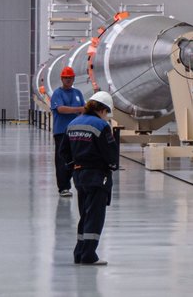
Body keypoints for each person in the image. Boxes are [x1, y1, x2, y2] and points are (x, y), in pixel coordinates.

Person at [65, 90, 120, 266]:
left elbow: (63, 152)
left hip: (79, 175)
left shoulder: (73, 123)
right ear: (102, 109)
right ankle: (89, 255)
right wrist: (112, 166)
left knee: (85, 214)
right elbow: (110, 152)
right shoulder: (101, 126)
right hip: (97, 175)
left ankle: (79, 252)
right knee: (95, 216)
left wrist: (74, 166)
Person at [49, 66, 86, 196]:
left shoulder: (78, 93)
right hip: (61, 132)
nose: (68, 80)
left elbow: (84, 109)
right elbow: (60, 109)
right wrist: (78, 109)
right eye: (65, 78)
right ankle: (63, 187)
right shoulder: (57, 93)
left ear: (74, 78)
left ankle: (77, 184)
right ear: (62, 79)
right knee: (62, 160)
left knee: (76, 158)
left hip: (76, 132)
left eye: (70, 77)